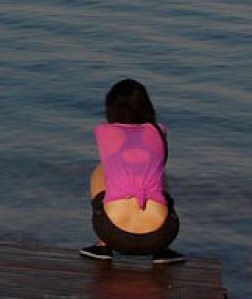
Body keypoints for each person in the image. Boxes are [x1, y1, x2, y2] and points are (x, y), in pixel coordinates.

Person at [80, 78, 186, 264]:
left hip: (113, 233)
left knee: (101, 170)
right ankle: (163, 251)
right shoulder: (158, 132)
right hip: (162, 235)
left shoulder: (104, 132)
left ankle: (102, 245)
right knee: (157, 173)